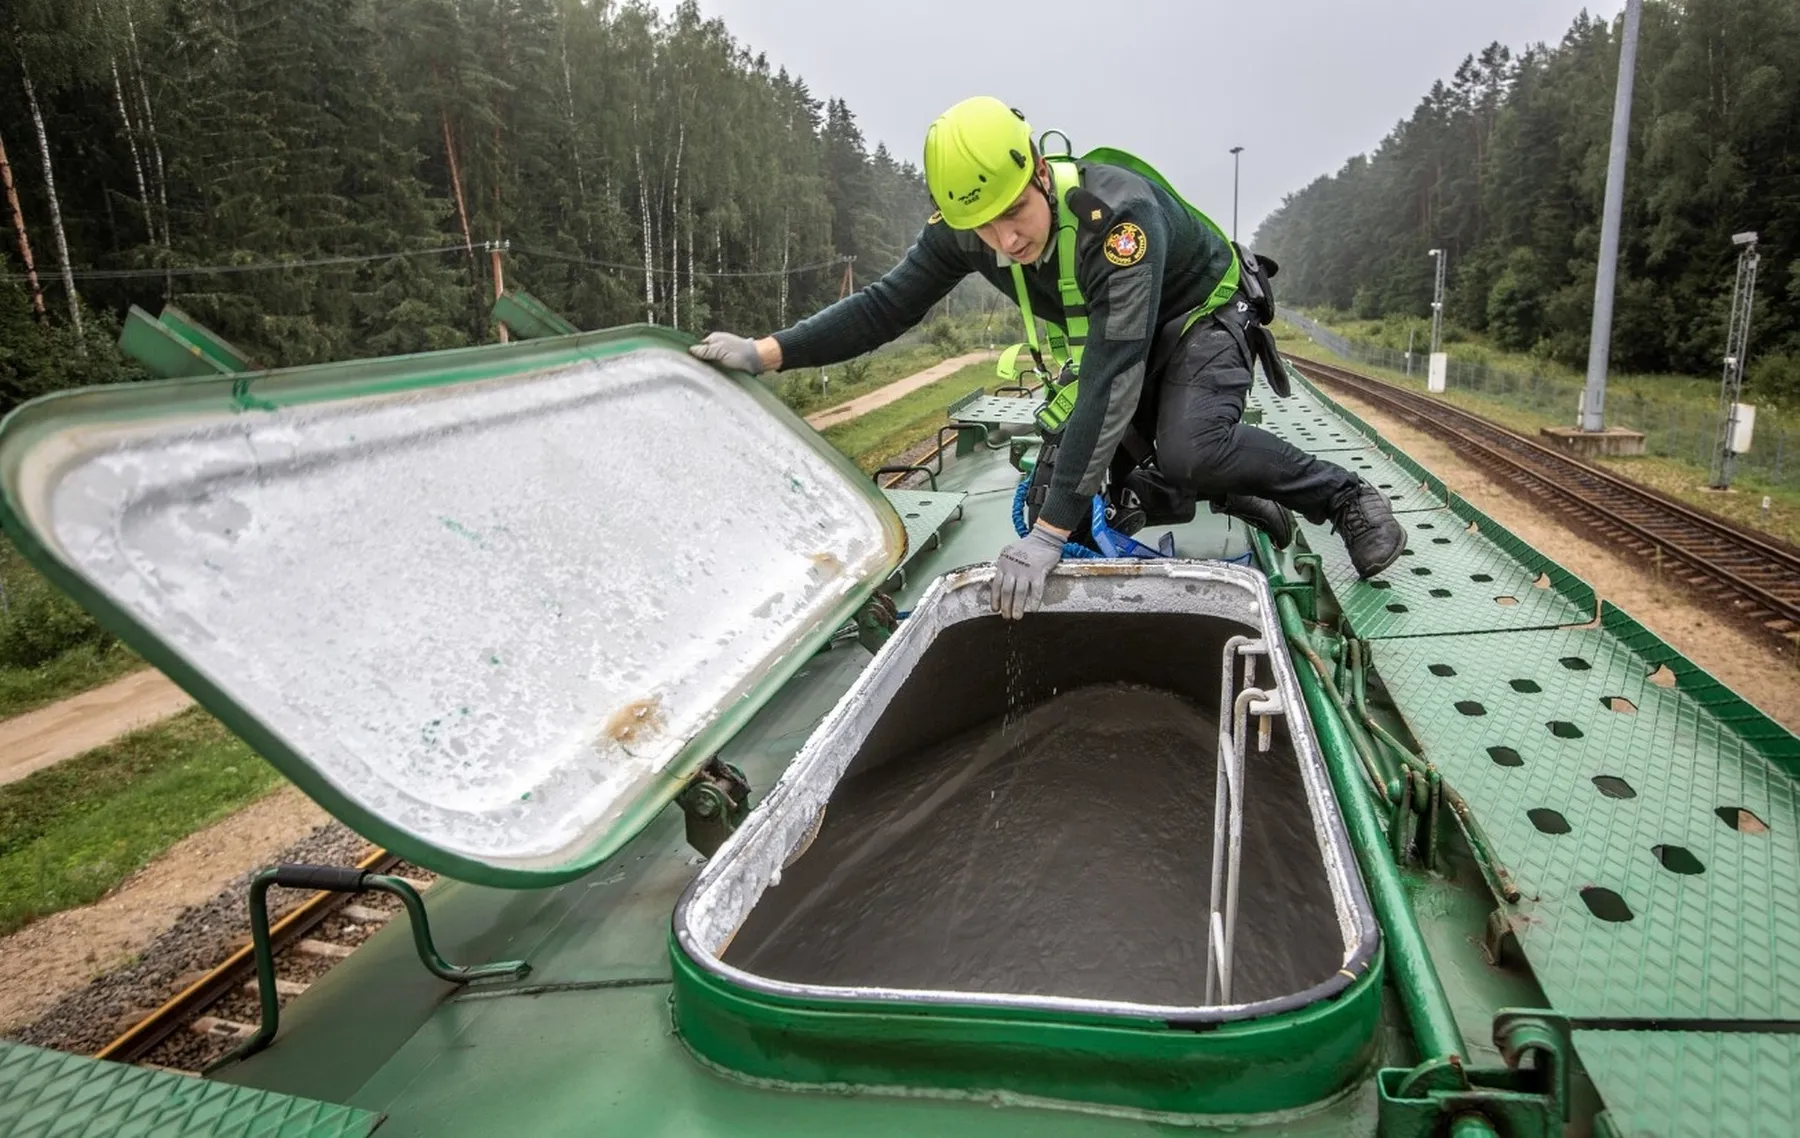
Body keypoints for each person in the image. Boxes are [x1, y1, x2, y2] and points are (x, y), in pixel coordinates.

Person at [692, 95, 1405, 619]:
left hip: (1197, 314)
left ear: (1038, 170)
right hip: (1121, 339)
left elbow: (1116, 371)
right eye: (981, 226)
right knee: (1063, 493)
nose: (1003, 240)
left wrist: (1051, 535)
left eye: (1013, 213)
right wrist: (767, 352)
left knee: (1180, 450)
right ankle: (1222, 485)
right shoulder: (967, 230)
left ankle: (1342, 498)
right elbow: (886, 306)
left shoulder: (1119, 221)